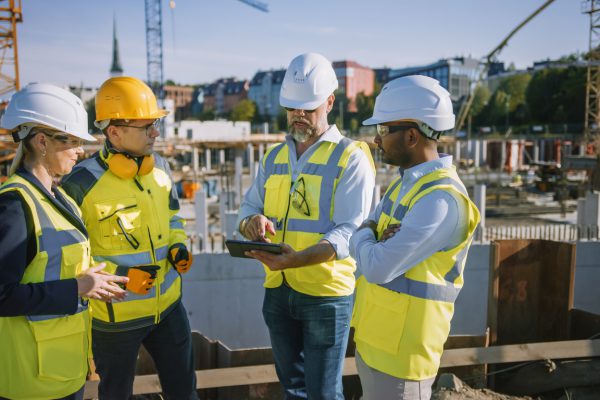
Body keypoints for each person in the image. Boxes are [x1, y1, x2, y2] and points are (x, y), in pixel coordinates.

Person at [237, 52, 376, 399]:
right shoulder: (274, 156)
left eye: (307, 108)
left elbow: (350, 233)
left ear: (330, 101)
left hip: (325, 296)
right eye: (292, 108)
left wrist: (296, 260)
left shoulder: (351, 157)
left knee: (324, 392)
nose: (298, 115)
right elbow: (248, 208)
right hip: (278, 288)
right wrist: (251, 223)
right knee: (294, 389)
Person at [61, 76, 197, 399]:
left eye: (155, 124)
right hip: (115, 320)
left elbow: (174, 217)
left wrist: (178, 245)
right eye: (146, 126)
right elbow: (71, 257)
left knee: (184, 391)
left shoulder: (161, 168)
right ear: (114, 132)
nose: (156, 133)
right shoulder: (80, 184)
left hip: (169, 310)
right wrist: (121, 277)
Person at [349, 75, 481, 400]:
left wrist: (369, 238)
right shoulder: (404, 184)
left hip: (403, 359)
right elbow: (361, 232)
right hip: (374, 342)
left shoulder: (441, 201)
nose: (376, 140)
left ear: (411, 135)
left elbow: (377, 267)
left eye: (382, 130)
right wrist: (371, 236)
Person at [0, 83, 129, 400]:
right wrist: (79, 287)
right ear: (42, 142)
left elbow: (62, 267)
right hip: (29, 381)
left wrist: (100, 282)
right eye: (71, 141)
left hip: (64, 370)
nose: (80, 150)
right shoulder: (15, 206)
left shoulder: (60, 199)